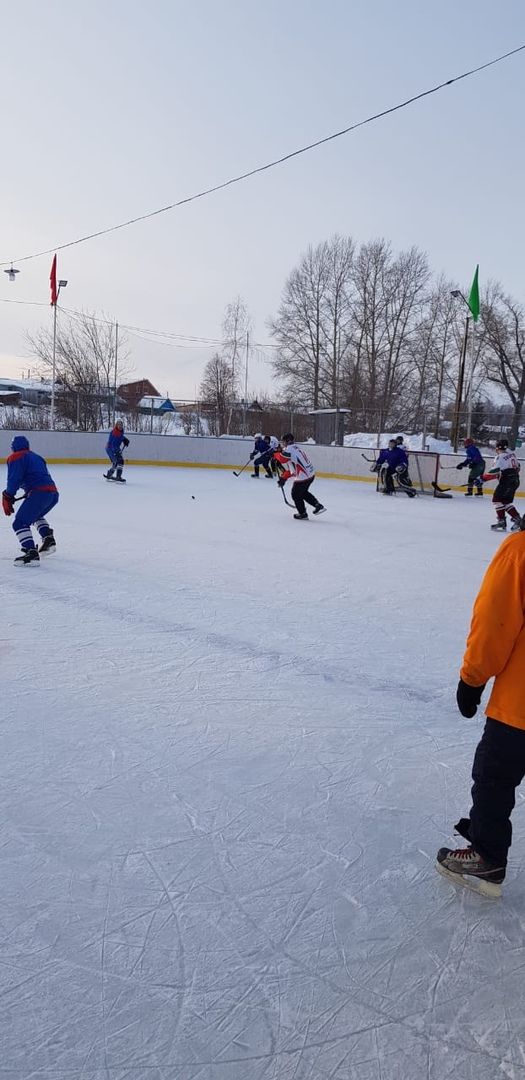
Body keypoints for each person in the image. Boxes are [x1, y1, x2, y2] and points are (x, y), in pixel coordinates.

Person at [436, 516, 525, 897]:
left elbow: (495, 623)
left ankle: (486, 858)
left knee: (493, 778)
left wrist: (472, 679)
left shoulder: (520, 551)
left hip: (520, 708)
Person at [2, 435, 59, 566]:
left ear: (13, 447)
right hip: (53, 494)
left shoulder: (16, 457)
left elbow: (14, 479)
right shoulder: (37, 457)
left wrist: (8, 495)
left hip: (39, 493)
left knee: (19, 523)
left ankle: (31, 553)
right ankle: (48, 539)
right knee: (35, 516)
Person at [274, 434, 325, 519]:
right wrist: (284, 478)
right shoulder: (295, 447)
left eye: (283, 442)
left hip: (303, 477)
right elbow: (293, 470)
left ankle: (302, 513)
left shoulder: (289, 450)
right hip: (310, 475)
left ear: (287, 441)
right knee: (303, 492)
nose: (282, 444)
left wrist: (275, 454)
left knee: (295, 494)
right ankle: (317, 505)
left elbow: (282, 459)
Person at [483, 439, 520, 531]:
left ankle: (502, 521)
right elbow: (518, 467)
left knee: (496, 500)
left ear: (497, 448)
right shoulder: (512, 454)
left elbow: (494, 471)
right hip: (515, 480)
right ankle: (518, 519)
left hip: (506, 481)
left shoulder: (500, 457)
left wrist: (482, 479)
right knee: (505, 502)